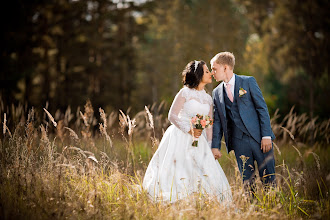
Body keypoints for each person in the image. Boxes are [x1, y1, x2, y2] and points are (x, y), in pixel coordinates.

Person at [143, 60, 232, 203]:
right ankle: (179, 197)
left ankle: (201, 199)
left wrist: (210, 147)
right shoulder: (184, 92)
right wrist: (188, 129)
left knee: (202, 170)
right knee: (180, 168)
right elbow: (172, 115)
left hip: (200, 140)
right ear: (198, 74)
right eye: (207, 71)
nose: (211, 74)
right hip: (180, 135)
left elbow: (209, 125)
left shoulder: (208, 99)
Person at [210, 52, 276, 188]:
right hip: (238, 142)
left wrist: (266, 135)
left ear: (226, 68)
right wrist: (215, 146)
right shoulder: (216, 92)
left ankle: (272, 207)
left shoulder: (248, 81)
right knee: (247, 182)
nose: (212, 72)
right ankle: (250, 208)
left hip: (259, 139)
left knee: (268, 178)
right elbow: (217, 122)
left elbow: (262, 109)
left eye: (214, 68)